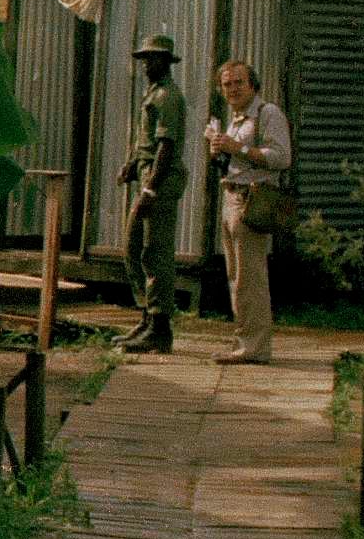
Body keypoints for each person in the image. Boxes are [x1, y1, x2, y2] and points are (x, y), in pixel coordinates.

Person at [203, 58, 292, 365]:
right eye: (226, 84)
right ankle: (244, 343)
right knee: (235, 276)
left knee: (250, 277)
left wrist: (236, 148)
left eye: (239, 82)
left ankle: (254, 348)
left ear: (253, 84)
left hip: (251, 202)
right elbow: (234, 161)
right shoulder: (236, 119)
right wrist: (218, 151)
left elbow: (281, 157)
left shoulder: (268, 113)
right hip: (231, 199)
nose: (233, 89)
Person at [116, 34, 187, 353]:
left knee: (154, 252)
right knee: (134, 248)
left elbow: (167, 146)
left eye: (152, 59)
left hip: (159, 180)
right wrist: (132, 165)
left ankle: (160, 328)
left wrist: (150, 189)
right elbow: (148, 141)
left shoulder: (169, 96)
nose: (146, 64)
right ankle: (148, 317)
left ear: (166, 62)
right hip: (148, 173)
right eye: (144, 59)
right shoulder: (154, 93)